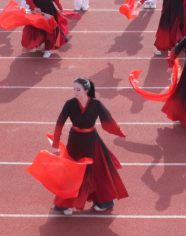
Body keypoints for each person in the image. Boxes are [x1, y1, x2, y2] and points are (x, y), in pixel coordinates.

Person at [51, 78, 128, 215]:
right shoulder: (70, 104)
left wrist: (119, 132)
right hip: (75, 141)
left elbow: (108, 119)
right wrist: (55, 144)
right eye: (74, 89)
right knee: (72, 172)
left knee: (98, 170)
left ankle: (104, 202)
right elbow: (60, 122)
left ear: (86, 90)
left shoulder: (96, 104)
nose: (75, 92)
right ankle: (66, 205)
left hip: (92, 140)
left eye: (78, 89)